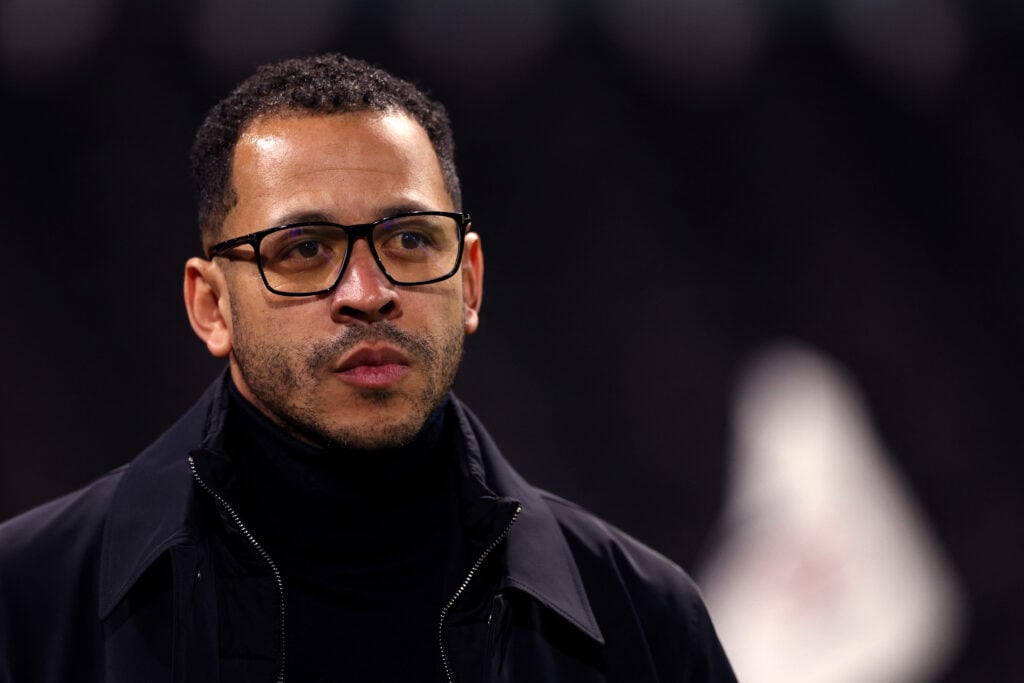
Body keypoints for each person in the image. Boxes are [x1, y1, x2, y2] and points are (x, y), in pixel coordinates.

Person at [0, 53, 736, 682]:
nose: (367, 292)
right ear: (211, 305)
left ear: (470, 281)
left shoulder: (644, 618)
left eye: (410, 239)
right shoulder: (27, 601)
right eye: (304, 249)